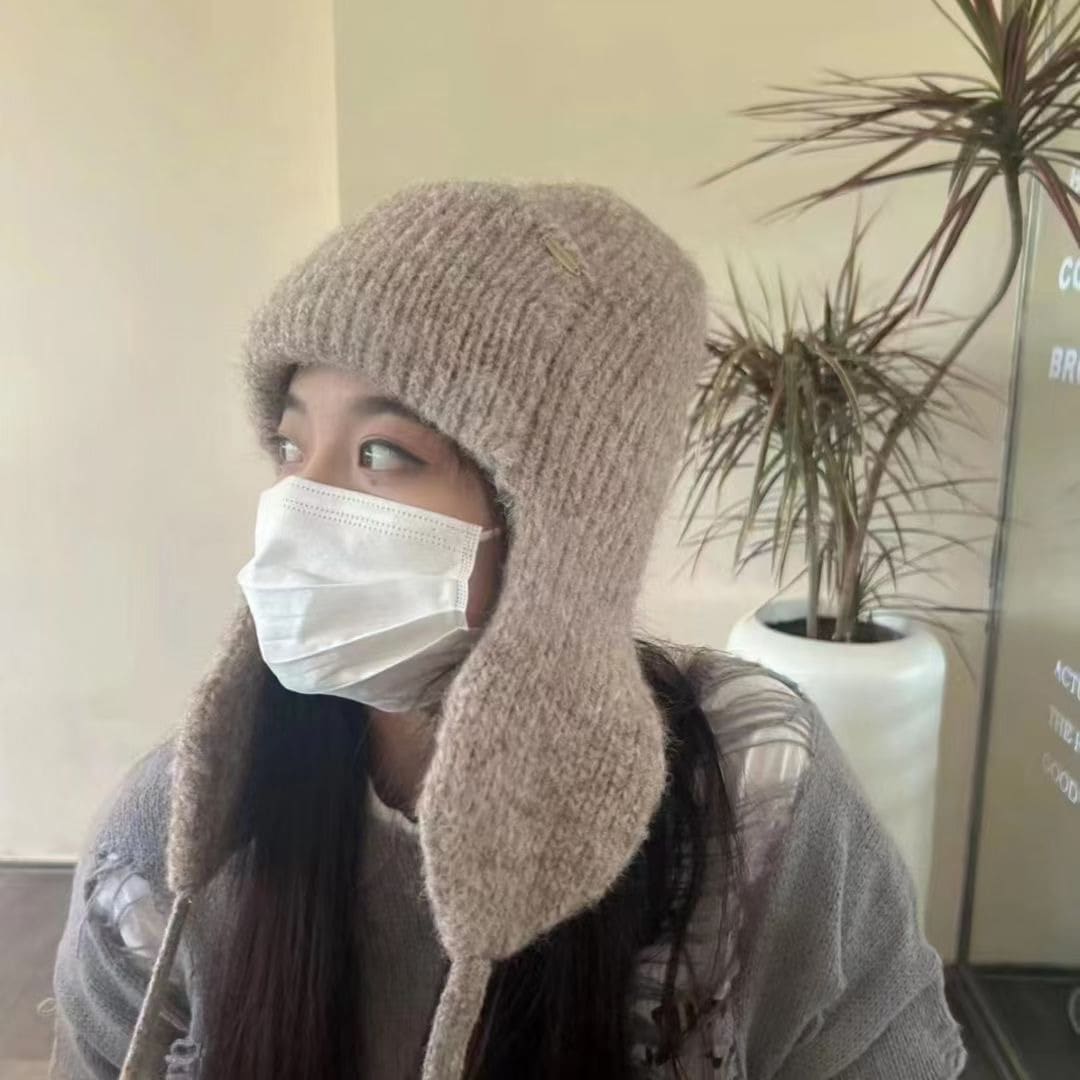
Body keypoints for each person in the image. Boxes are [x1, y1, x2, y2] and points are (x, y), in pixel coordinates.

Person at [48, 180, 968, 1080]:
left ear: (565, 525)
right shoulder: (175, 840)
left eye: (382, 454)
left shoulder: (750, 795)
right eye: (290, 446)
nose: (298, 505)